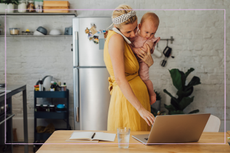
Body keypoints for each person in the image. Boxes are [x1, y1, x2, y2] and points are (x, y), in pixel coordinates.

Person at [104, 4, 155, 131]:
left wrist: (148, 60)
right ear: (116, 27)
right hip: (128, 104)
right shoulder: (116, 39)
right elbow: (120, 79)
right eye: (128, 31)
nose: (133, 35)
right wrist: (140, 109)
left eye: (135, 29)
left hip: (136, 102)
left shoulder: (124, 39)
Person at [129, 12, 160, 105]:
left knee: (144, 79)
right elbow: (128, 46)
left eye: (152, 33)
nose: (148, 36)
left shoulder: (150, 40)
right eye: (146, 32)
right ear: (139, 26)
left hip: (143, 62)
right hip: (133, 61)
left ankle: (152, 94)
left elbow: (150, 46)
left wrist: (148, 46)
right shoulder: (134, 36)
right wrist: (135, 49)